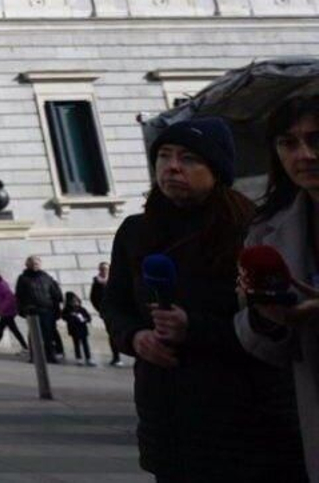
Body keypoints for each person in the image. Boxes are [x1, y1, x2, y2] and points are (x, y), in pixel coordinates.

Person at [103, 116, 306, 482]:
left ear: (217, 168)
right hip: (167, 421)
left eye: (189, 158)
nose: (173, 167)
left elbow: (275, 327)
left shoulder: (253, 230)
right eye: (164, 156)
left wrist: (194, 328)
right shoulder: (135, 232)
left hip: (248, 423)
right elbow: (113, 303)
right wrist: (134, 337)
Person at [237, 94, 319, 482]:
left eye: (316, 139)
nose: (304, 155)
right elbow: (264, 345)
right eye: (288, 143)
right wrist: (269, 320)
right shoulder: (266, 233)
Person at [15, 256, 64, 363]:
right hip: (32, 311)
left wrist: (57, 310)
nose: (34, 265)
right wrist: (22, 309)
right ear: (27, 265)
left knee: (49, 334)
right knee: (34, 334)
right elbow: (19, 295)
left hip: (47, 310)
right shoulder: (23, 278)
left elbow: (56, 294)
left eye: (36, 263)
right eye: (32, 263)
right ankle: (35, 356)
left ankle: (50, 356)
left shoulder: (46, 277)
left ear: (40, 265)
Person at [0, 265, 28, 353]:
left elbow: (10, 298)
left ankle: (25, 347)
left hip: (8, 311)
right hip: (5, 310)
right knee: (3, 328)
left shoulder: (1, 284)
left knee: (11, 329)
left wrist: (2, 309)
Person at [90, 261, 123, 367]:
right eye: (102, 269)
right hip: (107, 313)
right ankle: (116, 357)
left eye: (106, 268)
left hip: (120, 311)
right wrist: (101, 309)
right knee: (112, 334)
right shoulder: (97, 283)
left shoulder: (115, 280)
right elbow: (93, 298)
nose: (104, 270)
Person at [62, 292, 94, 366]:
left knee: (85, 344)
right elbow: (64, 317)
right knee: (76, 344)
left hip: (82, 328)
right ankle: (79, 358)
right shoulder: (67, 310)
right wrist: (72, 317)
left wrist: (85, 319)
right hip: (74, 329)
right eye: (74, 301)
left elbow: (88, 317)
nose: (76, 303)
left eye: (77, 301)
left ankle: (88, 358)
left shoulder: (82, 309)